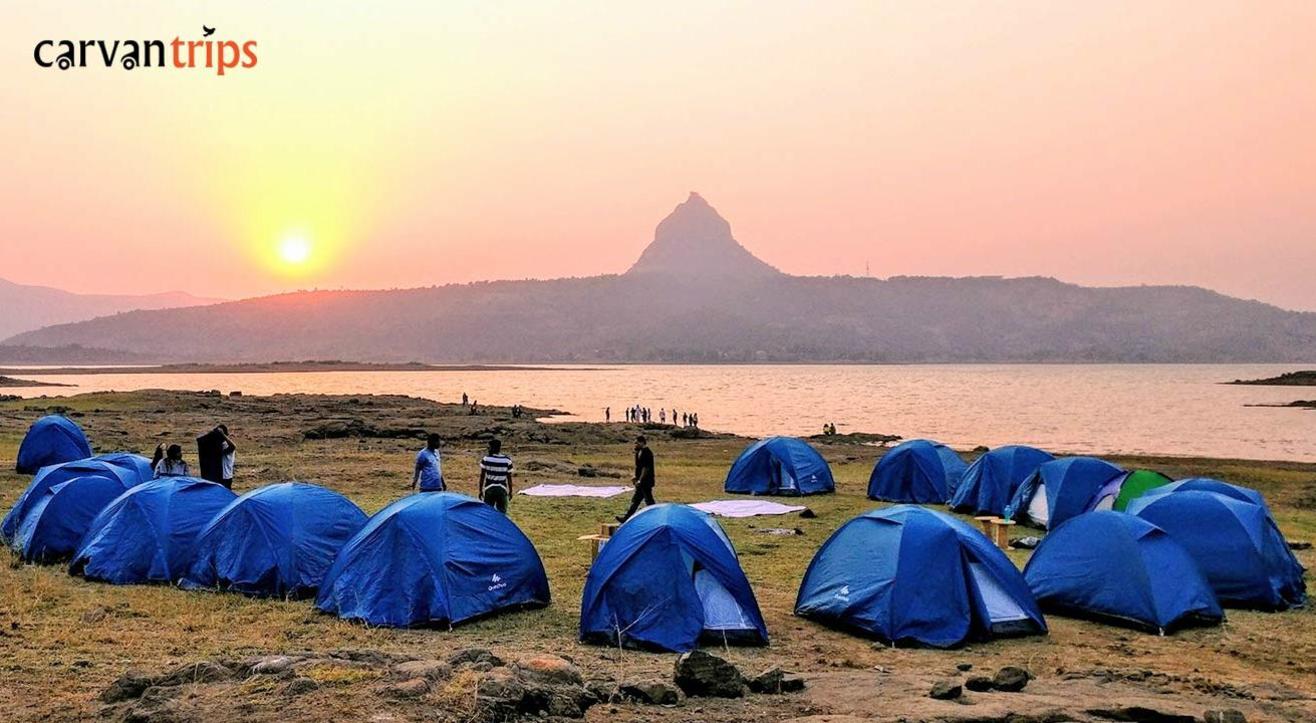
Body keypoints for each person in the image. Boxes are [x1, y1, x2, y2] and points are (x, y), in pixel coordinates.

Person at [617, 435, 656, 522]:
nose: (635, 445)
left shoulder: (647, 452)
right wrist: (635, 476)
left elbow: (646, 468)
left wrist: (640, 480)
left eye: (637, 443)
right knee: (636, 500)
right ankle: (626, 518)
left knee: (649, 500)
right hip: (640, 480)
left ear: (642, 442)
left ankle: (656, 517)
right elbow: (639, 467)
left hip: (646, 481)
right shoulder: (638, 452)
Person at [478, 438, 514, 513]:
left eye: (489, 447)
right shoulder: (507, 460)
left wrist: (480, 490)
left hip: (489, 488)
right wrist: (510, 491)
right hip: (502, 489)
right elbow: (509, 478)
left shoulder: (486, 459)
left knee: (488, 512)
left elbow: (482, 476)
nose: (488, 449)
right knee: (502, 512)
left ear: (493, 448)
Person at [216, 424, 237, 489]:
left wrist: (222, 434)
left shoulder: (226, 445)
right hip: (219, 475)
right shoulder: (218, 445)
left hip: (226, 476)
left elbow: (233, 446)